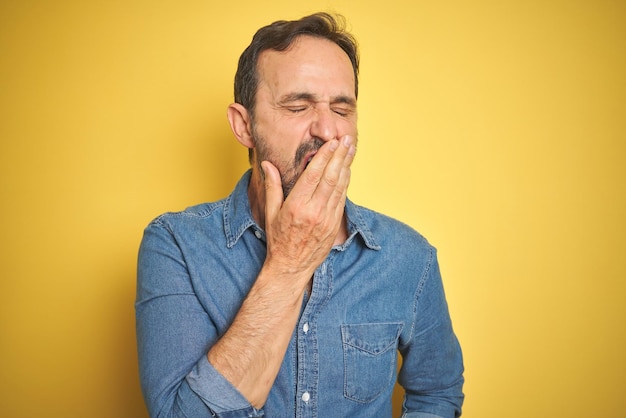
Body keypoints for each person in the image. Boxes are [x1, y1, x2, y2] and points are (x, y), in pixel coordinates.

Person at [136, 12, 464, 418]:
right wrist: (289, 263)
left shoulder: (409, 257)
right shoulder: (176, 245)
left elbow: (438, 392)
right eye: (297, 106)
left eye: (342, 110)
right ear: (244, 126)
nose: (327, 130)